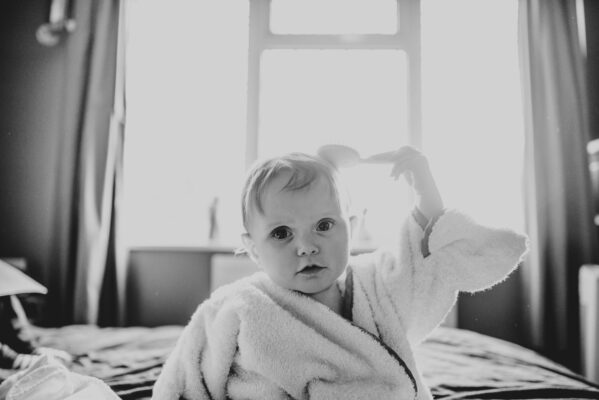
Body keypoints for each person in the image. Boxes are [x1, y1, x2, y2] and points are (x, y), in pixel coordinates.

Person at [152, 147, 528, 400]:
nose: (306, 246)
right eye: (282, 234)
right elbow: (184, 381)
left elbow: (424, 262)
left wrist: (425, 188)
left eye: (324, 225)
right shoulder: (235, 307)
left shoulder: (373, 284)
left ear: (351, 225)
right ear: (252, 248)